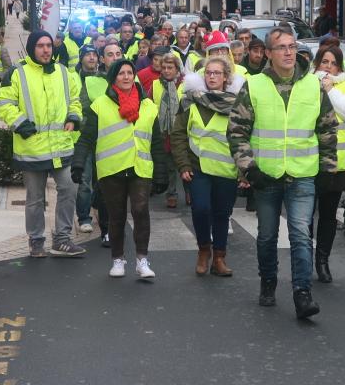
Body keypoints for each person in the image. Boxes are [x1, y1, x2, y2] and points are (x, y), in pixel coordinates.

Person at [228, 25, 340, 319]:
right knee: (266, 236)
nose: (289, 52)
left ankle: (302, 293)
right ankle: (268, 281)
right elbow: (237, 131)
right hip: (266, 175)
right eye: (282, 47)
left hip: (302, 174)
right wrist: (249, 169)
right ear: (268, 53)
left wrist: (329, 169)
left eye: (292, 46)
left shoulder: (313, 85)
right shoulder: (253, 85)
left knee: (301, 234)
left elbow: (327, 128)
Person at [72, 59, 166, 278]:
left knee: (141, 211)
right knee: (116, 216)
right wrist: (78, 162)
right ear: (113, 77)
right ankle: (118, 260)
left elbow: (157, 142)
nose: (126, 77)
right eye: (121, 73)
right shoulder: (101, 105)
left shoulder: (148, 106)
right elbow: (87, 138)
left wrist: (161, 171)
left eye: (129, 73)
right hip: (111, 169)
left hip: (140, 167)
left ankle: (142, 260)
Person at [0, 30, 84, 258]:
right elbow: (4, 103)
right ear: (32, 48)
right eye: (40, 46)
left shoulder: (63, 72)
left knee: (68, 189)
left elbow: (74, 100)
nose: (46, 50)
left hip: (60, 146)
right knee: (35, 199)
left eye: (48, 46)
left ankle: (62, 239)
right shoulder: (17, 73)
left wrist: (74, 117)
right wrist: (20, 123)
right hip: (32, 148)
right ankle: (36, 241)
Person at [171, 56, 244, 276]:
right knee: (201, 209)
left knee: (222, 215)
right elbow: (178, 135)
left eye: (217, 73)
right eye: (208, 73)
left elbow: (244, 137)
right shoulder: (190, 101)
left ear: (226, 77)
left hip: (226, 169)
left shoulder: (238, 104)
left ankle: (219, 258)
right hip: (198, 168)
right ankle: (204, 250)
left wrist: (244, 170)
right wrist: (183, 164)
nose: (212, 76)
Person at [312, 46, 345, 283]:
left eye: (332, 63)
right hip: (308, 161)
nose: (328, 67)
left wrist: (330, 90)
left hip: (336, 165)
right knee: (304, 215)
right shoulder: (307, 86)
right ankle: (303, 256)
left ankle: (322, 260)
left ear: (339, 67)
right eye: (324, 62)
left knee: (328, 215)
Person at [74, 45, 110, 242]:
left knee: (101, 179)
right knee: (85, 179)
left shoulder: (104, 79)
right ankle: (84, 216)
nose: (91, 58)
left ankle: (98, 208)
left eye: (94, 55)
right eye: (87, 55)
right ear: (81, 58)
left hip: (102, 135)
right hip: (82, 136)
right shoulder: (74, 78)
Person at [153, 53, 185, 208]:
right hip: (164, 131)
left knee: (185, 163)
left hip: (183, 131)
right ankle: (171, 193)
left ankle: (189, 192)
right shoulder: (155, 84)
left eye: (170, 68)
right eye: (164, 68)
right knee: (170, 165)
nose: (166, 71)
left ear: (177, 68)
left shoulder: (184, 84)